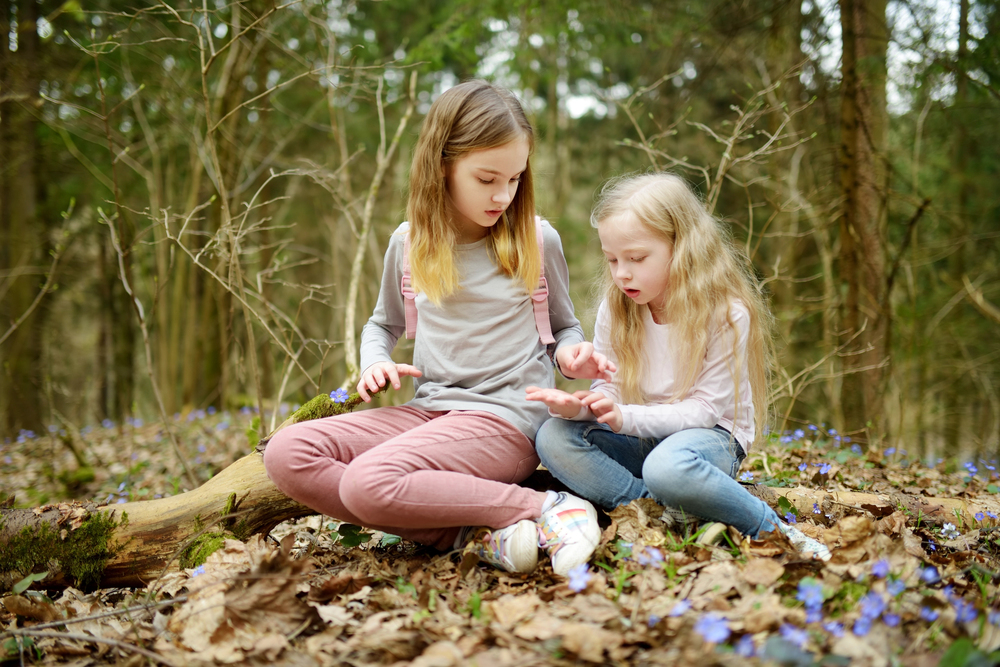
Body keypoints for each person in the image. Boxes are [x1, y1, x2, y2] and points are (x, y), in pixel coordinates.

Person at [263, 80, 611, 576]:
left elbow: (563, 329)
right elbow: (382, 324)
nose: (503, 195)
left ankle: (548, 509)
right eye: (487, 178)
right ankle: (477, 535)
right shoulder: (409, 245)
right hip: (428, 412)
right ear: (441, 164)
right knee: (287, 452)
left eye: (514, 179)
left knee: (367, 483)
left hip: (505, 418)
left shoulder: (537, 238)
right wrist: (376, 362)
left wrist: (573, 355)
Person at [527, 172, 831, 561]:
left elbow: (705, 411)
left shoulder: (724, 313)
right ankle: (656, 513)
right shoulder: (616, 309)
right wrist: (582, 408)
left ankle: (772, 529)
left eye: (636, 258)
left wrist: (623, 417)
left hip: (711, 439)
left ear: (682, 246)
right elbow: (611, 392)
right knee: (554, 435)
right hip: (645, 437)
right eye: (613, 259)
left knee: (667, 468)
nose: (621, 273)